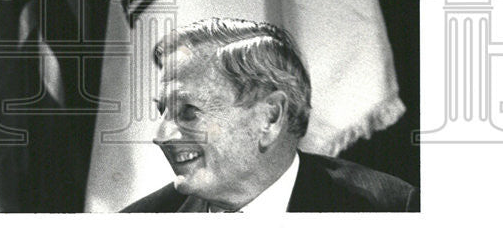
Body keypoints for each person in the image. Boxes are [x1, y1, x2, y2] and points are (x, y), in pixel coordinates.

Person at [123, 17, 419, 213]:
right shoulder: (133, 230)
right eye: (162, 111)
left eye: (189, 112)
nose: (161, 136)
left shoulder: (390, 209)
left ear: (270, 118)